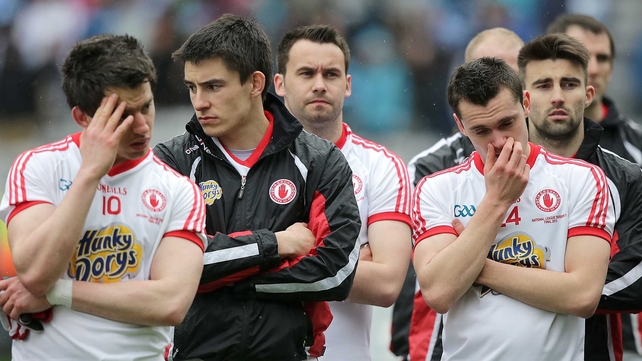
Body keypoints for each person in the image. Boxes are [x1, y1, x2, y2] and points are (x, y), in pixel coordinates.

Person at [152, 15, 361, 361]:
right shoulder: (172, 161)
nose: (199, 101)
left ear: (255, 83)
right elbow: (164, 268)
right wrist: (273, 244)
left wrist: (233, 281)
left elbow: (336, 273)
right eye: (192, 87)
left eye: (213, 86)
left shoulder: (320, 161)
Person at [0, 34, 207, 360]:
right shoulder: (38, 167)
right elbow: (36, 272)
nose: (142, 127)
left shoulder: (179, 191)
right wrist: (89, 175)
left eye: (146, 107)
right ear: (83, 117)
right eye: (123, 115)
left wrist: (58, 292)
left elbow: (170, 303)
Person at [412, 56, 614, 360]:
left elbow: (583, 296)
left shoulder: (582, 179)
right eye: (481, 130)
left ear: (527, 104)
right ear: (460, 126)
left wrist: (474, 268)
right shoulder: (436, 188)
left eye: (507, 123)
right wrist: (497, 201)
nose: (500, 140)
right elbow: (440, 293)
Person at [273, 24, 412, 360]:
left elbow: (386, 285)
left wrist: (270, 250)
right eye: (306, 73)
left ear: (348, 85)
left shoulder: (382, 167)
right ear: (279, 84)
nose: (320, 84)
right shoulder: (244, 164)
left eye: (331, 74)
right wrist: (341, 260)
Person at [390, 27, 524, 360]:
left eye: (506, 72)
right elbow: (427, 279)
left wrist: (472, 261)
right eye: (483, 71)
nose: (493, 83)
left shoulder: (565, 171)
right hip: (443, 342)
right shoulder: (427, 171)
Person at [548, 15, 642, 360]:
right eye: (584, 55)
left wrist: (554, 290)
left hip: (623, 343)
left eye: (602, 58)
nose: (595, 67)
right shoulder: (508, 161)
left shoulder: (635, 157)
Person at [547, 14, 642, 166]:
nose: (594, 70)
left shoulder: (637, 145)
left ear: (611, 69)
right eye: (582, 56)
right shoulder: (522, 142)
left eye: (602, 58)